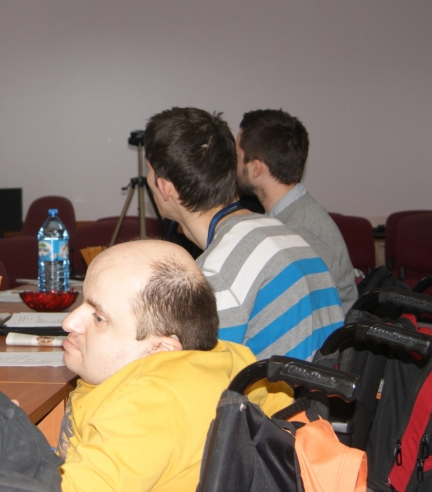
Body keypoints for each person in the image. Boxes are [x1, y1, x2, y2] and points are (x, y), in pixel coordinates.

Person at [56, 239, 292, 492]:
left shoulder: (151, 408)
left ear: (160, 350)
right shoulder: (228, 356)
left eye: (99, 318)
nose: (69, 322)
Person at [143, 107, 344, 360]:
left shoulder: (216, 276)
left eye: (149, 170)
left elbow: (199, 375)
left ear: (164, 187)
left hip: (284, 386)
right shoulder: (284, 234)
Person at [237, 109, 358, 311]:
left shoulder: (300, 233)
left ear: (256, 169)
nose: (233, 165)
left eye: (237, 157)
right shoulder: (287, 216)